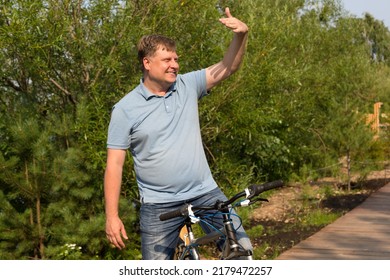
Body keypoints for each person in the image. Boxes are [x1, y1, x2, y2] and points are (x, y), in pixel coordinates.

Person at [104, 7, 249, 260]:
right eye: (167, 60)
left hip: (205, 192)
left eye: (176, 59)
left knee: (242, 252)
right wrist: (112, 216)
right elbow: (114, 165)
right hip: (158, 204)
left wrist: (241, 36)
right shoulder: (125, 109)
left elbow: (228, 66)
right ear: (147, 63)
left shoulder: (188, 84)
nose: (175, 65)